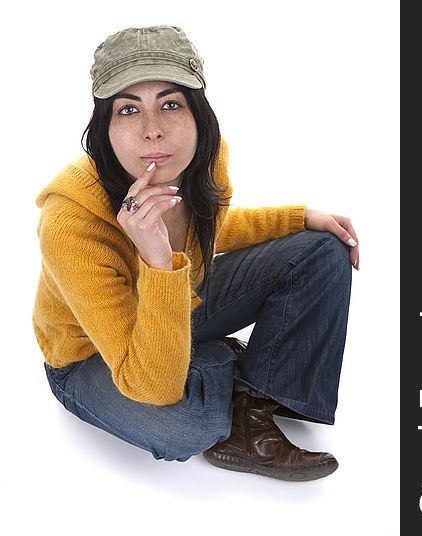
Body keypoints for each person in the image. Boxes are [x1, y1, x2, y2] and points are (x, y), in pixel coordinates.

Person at [33, 25, 359, 482]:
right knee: (188, 426)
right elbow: (148, 384)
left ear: (198, 115)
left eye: (171, 104)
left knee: (321, 250)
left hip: (176, 307)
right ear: (104, 130)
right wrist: (156, 262)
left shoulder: (202, 161)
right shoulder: (71, 223)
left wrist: (299, 217)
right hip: (93, 357)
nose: (153, 131)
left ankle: (253, 403)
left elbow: (210, 232)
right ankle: (230, 367)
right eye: (129, 109)